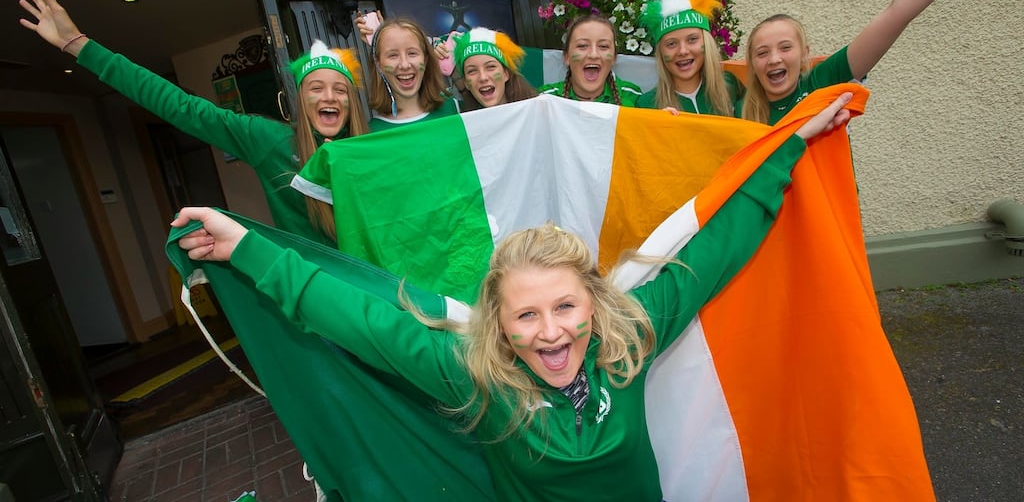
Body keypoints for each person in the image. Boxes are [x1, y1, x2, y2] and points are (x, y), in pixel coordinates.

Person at [171, 92, 853, 501]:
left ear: (594, 303)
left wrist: (790, 144)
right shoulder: (471, 371)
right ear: (498, 323)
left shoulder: (629, 340)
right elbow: (360, 318)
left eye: (564, 308)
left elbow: (713, 251)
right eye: (526, 315)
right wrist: (247, 248)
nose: (551, 333)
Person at [17, 0, 367, 245]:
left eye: (340, 90)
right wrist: (78, 45)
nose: (329, 97)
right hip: (319, 293)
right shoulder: (268, 139)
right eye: (316, 88)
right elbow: (180, 106)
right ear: (300, 100)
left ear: (352, 102)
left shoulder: (375, 145)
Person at [738, 0, 1000, 125]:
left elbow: (897, 13)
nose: (773, 59)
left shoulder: (822, 82)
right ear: (751, 62)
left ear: (805, 53)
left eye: (785, 47)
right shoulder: (739, 113)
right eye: (762, 53)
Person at [635, 0, 743, 116]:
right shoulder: (646, 105)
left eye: (692, 39)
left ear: (706, 42)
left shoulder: (730, 85)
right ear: (661, 52)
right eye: (671, 44)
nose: (683, 51)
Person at [364, 16, 459, 131]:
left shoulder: (454, 110)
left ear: (425, 59)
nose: (404, 65)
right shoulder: (371, 133)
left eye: (412, 53)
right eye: (393, 55)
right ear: (379, 64)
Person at [538, 14, 643, 106]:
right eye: (582, 45)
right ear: (567, 57)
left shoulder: (633, 97)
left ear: (614, 58)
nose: (593, 54)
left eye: (603, 46)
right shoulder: (544, 100)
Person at [449, 27, 538, 110]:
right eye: (472, 71)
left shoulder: (538, 108)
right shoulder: (464, 123)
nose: (483, 78)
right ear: (466, 83)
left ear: (506, 74)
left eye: (490, 67)